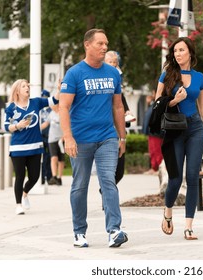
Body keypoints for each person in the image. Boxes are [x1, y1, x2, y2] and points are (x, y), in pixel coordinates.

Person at [59, 28, 128, 248]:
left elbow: (118, 106)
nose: (104, 47)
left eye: (106, 43)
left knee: (108, 180)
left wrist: (122, 137)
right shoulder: (74, 74)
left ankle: (114, 230)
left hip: (107, 137)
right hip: (80, 140)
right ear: (87, 45)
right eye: (100, 44)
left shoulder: (112, 73)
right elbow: (63, 106)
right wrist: (68, 137)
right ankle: (79, 232)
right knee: (80, 185)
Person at [154, 37, 203, 240]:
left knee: (192, 177)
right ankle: (168, 210)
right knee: (175, 178)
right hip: (174, 130)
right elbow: (157, 104)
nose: (178, 54)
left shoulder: (199, 77)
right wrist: (174, 100)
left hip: (195, 129)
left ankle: (189, 226)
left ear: (190, 52)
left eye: (181, 50)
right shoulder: (167, 75)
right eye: (175, 51)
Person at [4, 79, 59, 215]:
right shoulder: (11, 107)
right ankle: (18, 205)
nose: (27, 87)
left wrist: (59, 89)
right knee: (20, 176)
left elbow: (54, 101)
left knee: (35, 176)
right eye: (24, 86)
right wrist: (17, 126)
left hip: (35, 146)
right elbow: (6, 126)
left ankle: (25, 193)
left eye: (28, 85)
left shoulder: (36, 102)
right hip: (18, 148)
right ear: (17, 90)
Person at [104, 50, 135, 184]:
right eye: (109, 62)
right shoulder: (101, 84)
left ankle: (105, 191)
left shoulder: (117, 85)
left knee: (119, 173)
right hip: (104, 133)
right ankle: (107, 197)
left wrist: (127, 113)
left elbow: (121, 104)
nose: (113, 65)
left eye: (115, 63)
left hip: (118, 133)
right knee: (108, 171)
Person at [42, 103, 64, 186]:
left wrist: (64, 137)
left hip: (61, 139)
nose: (51, 107)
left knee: (61, 160)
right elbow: (46, 124)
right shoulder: (51, 114)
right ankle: (54, 176)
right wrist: (36, 128)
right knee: (53, 157)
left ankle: (59, 177)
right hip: (52, 139)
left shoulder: (63, 113)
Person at [142, 92, 163, 175]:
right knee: (152, 151)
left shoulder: (160, 102)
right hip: (151, 132)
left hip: (156, 131)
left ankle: (158, 169)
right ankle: (154, 168)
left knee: (157, 151)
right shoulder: (153, 104)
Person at [39, 90, 52, 185]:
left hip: (50, 136)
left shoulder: (51, 110)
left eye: (45, 97)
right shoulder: (39, 110)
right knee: (42, 158)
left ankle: (50, 176)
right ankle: (42, 177)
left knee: (50, 157)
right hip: (41, 136)